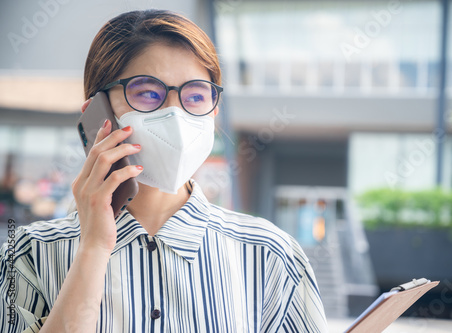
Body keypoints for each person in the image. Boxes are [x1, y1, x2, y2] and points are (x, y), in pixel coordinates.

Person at [0, 10, 328, 332]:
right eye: (148, 93)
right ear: (95, 111)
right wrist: (93, 249)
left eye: (196, 95)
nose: (175, 114)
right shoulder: (29, 254)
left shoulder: (269, 254)